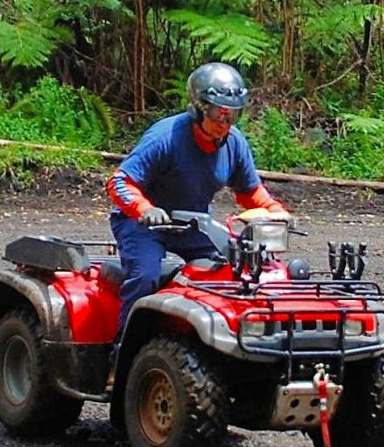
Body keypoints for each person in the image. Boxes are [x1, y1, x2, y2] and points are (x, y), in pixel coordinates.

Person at [106, 63, 288, 338]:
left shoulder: (234, 142)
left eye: (233, 115)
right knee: (145, 278)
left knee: (238, 267)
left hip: (193, 225)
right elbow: (120, 182)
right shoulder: (164, 137)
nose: (224, 123)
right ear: (198, 108)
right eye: (218, 113)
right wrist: (145, 208)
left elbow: (250, 191)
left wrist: (275, 211)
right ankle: (123, 352)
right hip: (143, 225)